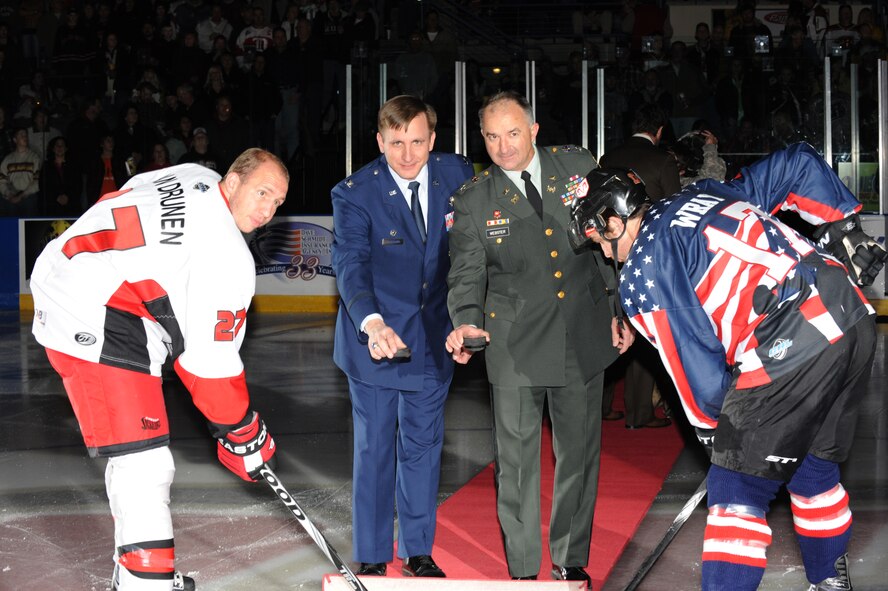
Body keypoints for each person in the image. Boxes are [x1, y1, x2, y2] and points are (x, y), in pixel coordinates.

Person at [569, 142, 886, 591]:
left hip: (792, 339)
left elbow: (694, 364)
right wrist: (845, 226)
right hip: (850, 314)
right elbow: (795, 161)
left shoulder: (641, 271)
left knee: (736, 492)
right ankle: (830, 582)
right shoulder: (701, 194)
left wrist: (716, 432)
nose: (602, 253)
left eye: (599, 240)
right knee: (813, 468)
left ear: (614, 221)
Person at [30, 148, 288, 591]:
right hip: (96, 307)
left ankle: (134, 570)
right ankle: (144, 582)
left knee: (134, 454)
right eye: (262, 193)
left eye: (278, 203)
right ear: (232, 182)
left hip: (69, 271)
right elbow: (209, 369)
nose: (267, 210)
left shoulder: (193, 173)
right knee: (144, 460)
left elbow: (129, 195)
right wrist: (243, 433)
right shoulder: (228, 258)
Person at [445, 90, 633, 585]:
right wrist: (464, 320)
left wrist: (620, 311)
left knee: (579, 454)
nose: (503, 147)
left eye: (512, 133)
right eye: (491, 136)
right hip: (513, 345)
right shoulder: (472, 201)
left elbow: (607, 245)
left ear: (533, 130)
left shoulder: (576, 168)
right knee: (517, 465)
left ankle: (570, 561)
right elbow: (465, 274)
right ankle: (524, 571)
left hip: (581, 333)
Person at [331, 95, 473, 579]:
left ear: (433, 140)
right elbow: (351, 265)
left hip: (435, 338)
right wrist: (371, 323)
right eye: (396, 143)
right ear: (379, 141)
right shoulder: (354, 193)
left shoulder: (458, 175)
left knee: (423, 445)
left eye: (417, 142)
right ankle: (372, 551)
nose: (408, 154)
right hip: (376, 338)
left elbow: (469, 253)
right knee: (375, 449)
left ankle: (418, 550)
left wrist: (466, 315)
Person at [599, 102, 680, 430]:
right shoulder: (663, 161)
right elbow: (675, 211)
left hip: (608, 253)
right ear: (658, 132)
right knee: (644, 330)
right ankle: (638, 412)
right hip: (649, 256)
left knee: (610, 324)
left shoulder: (607, 158)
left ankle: (602, 407)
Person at [0, 126, 42, 217]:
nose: (24, 137)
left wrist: (23, 195)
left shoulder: (34, 157)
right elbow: (1, 181)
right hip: (12, 195)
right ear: (15, 140)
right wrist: (9, 194)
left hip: (28, 195)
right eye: (21, 135)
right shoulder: (8, 159)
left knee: (30, 203)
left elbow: (37, 181)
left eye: (25, 135)